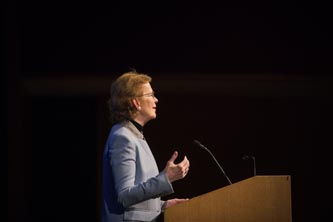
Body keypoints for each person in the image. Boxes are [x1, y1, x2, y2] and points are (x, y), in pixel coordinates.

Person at [101, 71, 190, 222]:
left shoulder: (133, 135)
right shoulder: (123, 137)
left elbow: (134, 200)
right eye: (150, 95)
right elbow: (124, 196)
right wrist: (166, 177)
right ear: (136, 102)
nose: (156, 100)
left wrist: (162, 205)